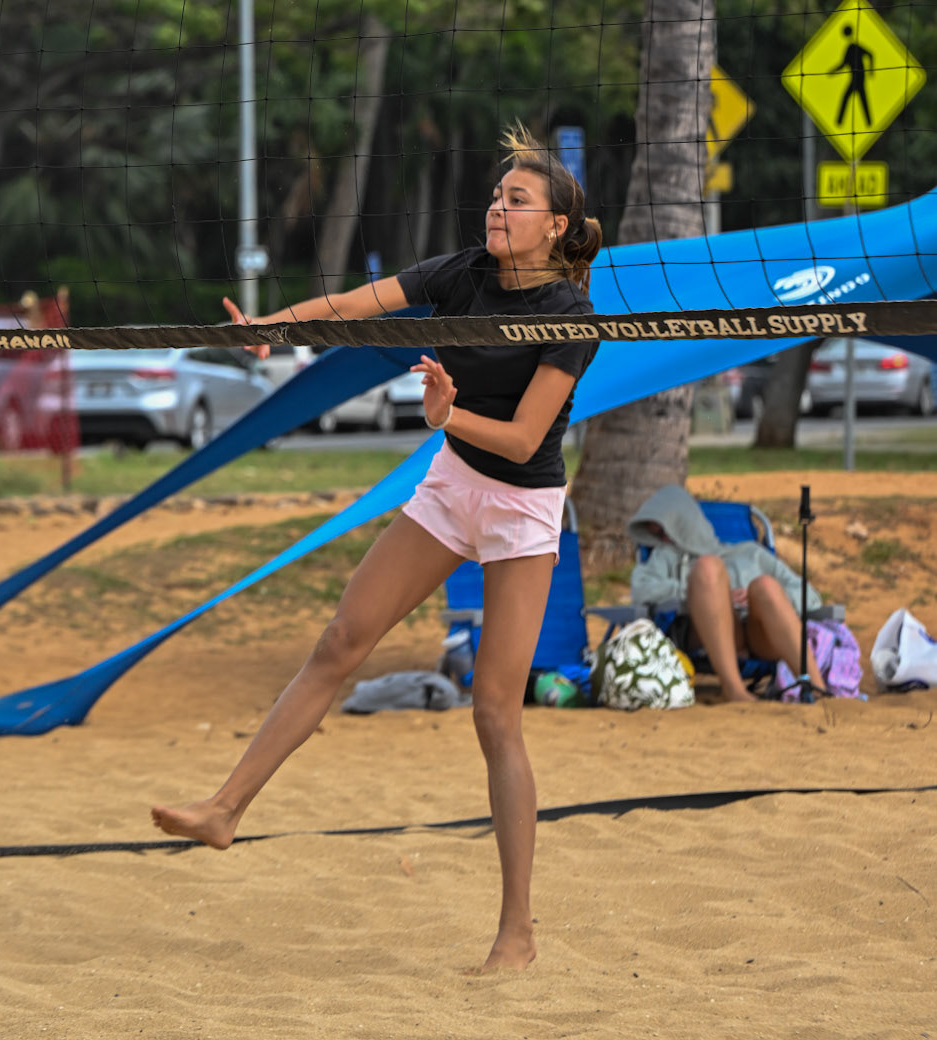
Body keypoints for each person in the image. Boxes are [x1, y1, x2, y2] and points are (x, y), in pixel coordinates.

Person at [151, 127, 602, 975]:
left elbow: (522, 437)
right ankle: (224, 807)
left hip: (519, 506)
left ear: (556, 228)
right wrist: (270, 329)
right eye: (495, 195)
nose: (497, 209)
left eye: (516, 201)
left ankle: (518, 932)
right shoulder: (462, 271)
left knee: (495, 713)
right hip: (450, 485)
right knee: (338, 643)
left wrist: (444, 415)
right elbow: (352, 306)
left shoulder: (571, 317)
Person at [627, 486, 824, 701]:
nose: (663, 540)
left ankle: (817, 689)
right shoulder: (666, 556)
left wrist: (754, 599)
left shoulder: (751, 553)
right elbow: (641, 589)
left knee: (765, 585)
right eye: (656, 534)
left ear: (685, 523)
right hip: (703, 636)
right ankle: (734, 690)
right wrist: (702, 594)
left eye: (665, 531)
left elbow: (810, 596)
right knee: (708, 569)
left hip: (758, 636)